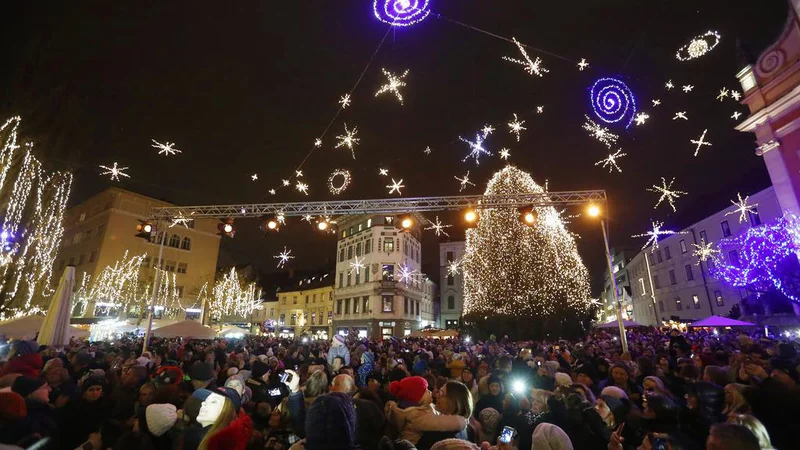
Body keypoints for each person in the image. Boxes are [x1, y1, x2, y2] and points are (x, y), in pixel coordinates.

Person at [385, 377, 468, 446]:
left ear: (453, 401)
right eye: (426, 390)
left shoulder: (446, 436)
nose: (435, 394)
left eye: (441, 393)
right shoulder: (416, 414)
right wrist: (459, 421)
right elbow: (438, 422)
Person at [59, 373, 113, 449]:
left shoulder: (103, 405)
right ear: (84, 392)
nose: (95, 393)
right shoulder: (75, 406)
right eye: (91, 390)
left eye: (98, 389)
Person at [11, 376, 57, 441]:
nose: (50, 389)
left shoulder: (41, 409)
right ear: (32, 392)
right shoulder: (26, 415)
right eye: (45, 387)